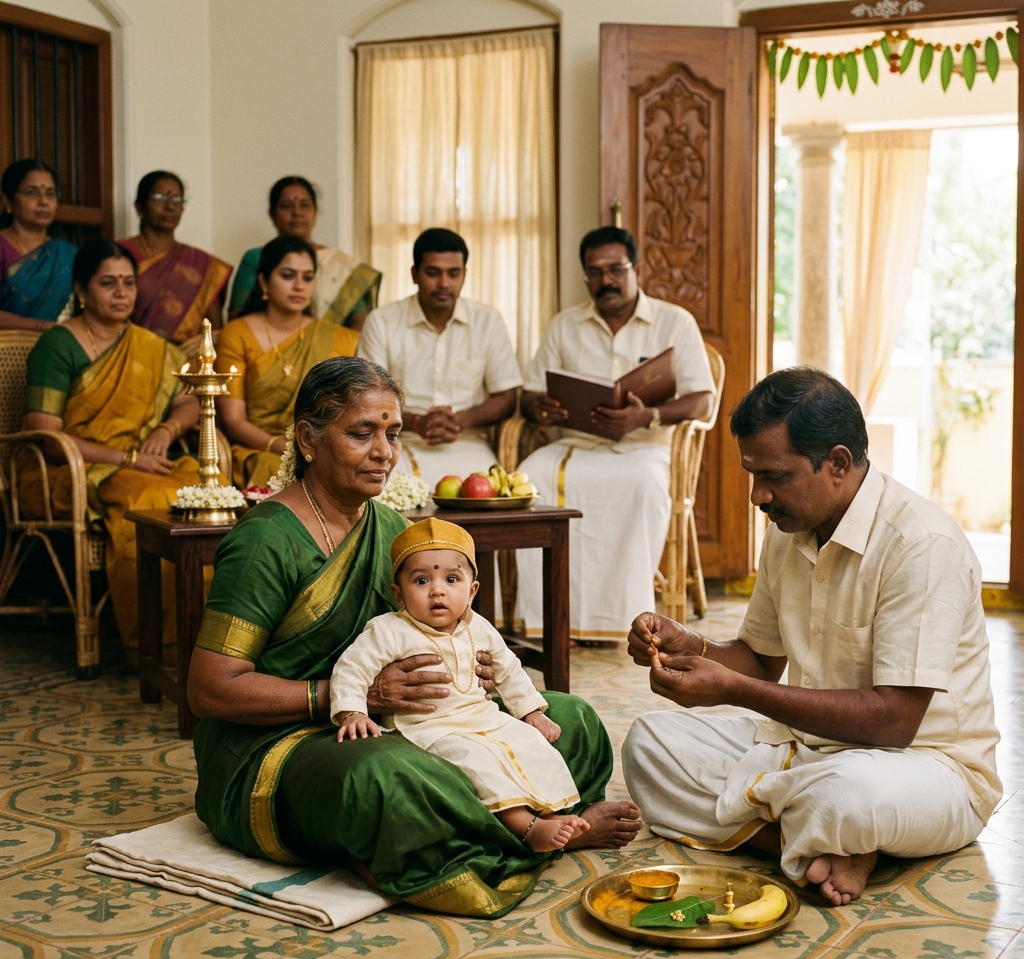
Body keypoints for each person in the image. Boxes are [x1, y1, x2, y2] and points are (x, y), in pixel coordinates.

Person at [188, 357, 643, 917]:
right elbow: (210, 690)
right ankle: (514, 835)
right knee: (386, 776)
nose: (384, 452)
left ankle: (488, 833)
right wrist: (350, 696)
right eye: (362, 433)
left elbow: (431, 628)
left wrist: (470, 669)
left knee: (569, 719)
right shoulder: (265, 541)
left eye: (393, 433)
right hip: (280, 746)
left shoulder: (390, 530)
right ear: (308, 439)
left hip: (408, 719)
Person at [621, 367, 1001, 906]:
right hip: (805, 747)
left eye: (773, 475)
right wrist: (692, 645)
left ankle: (821, 825)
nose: (758, 495)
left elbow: (895, 722)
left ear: (838, 464)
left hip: (927, 768)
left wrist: (733, 690)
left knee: (847, 795)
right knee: (650, 745)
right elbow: (759, 659)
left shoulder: (921, 544)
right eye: (752, 474)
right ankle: (819, 846)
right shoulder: (789, 528)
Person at [331, 517, 589, 853]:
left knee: (531, 744)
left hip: (484, 718)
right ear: (399, 595)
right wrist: (352, 712)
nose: (437, 590)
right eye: (421, 580)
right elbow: (352, 668)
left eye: (451, 579)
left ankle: (554, 811)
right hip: (429, 728)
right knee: (475, 761)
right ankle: (527, 828)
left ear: (472, 590)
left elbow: (508, 668)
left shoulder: (478, 626)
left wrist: (531, 712)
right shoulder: (388, 630)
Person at [516, 226, 715, 643]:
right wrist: (541, 407)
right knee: (529, 477)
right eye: (595, 272)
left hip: (646, 448)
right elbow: (531, 395)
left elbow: (701, 401)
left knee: (641, 485)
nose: (605, 280)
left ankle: (625, 620)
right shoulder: (564, 325)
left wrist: (646, 417)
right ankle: (546, 619)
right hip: (576, 444)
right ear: (585, 276)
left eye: (615, 269)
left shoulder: (674, 322)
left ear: (636, 269)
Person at [20, 240, 202, 653]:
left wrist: (167, 431)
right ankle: (161, 643)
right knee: (149, 498)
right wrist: (127, 459)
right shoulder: (58, 345)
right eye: (108, 283)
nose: (122, 293)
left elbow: (189, 400)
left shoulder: (151, 347)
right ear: (81, 292)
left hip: (146, 461)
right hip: (73, 469)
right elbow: (45, 434)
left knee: (206, 491)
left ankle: (210, 638)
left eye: (129, 283)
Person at [357, 228, 521, 487]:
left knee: (487, 492)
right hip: (399, 443)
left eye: (453, 273)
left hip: (468, 443)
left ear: (464, 275)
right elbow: (367, 397)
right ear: (415, 274)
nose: (444, 283)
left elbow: (506, 397)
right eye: (433, 273)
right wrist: (417, 422)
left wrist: (460, 421)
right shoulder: (382, 322)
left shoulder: (487, 321)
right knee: (389, 493)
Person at [214, 236, 359, 489]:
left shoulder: (337, 338)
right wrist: (281, 446)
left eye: (308, 277)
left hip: (321, 448)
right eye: (288, 275)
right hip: (260, 449)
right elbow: (234, 421)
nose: (299, 286)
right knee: (278, 470)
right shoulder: (237, 334)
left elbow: (348, 412)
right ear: (264, 281)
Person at [227, 176, 380, 329]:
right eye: (286, 206)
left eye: (305, 205)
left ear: (315, 211)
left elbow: (360, 322)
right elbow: (236, 319)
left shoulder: (342, 265)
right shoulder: (256, 257)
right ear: (272, 214)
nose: (297, 212)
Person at [119, 171, 232, 352]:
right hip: (129, 355)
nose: (170, 206)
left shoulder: (201, 264)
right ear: (140, 206)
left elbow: (214, 329)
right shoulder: (119, 254)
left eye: (177, 200)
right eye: (159, 198)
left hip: (185, 364)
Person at [0, 159, 76, 331]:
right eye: (32, 193)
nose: (44, 201)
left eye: (50, 193)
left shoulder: (70, 255)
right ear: (8, 202)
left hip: (57, 352)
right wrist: (40, 326)